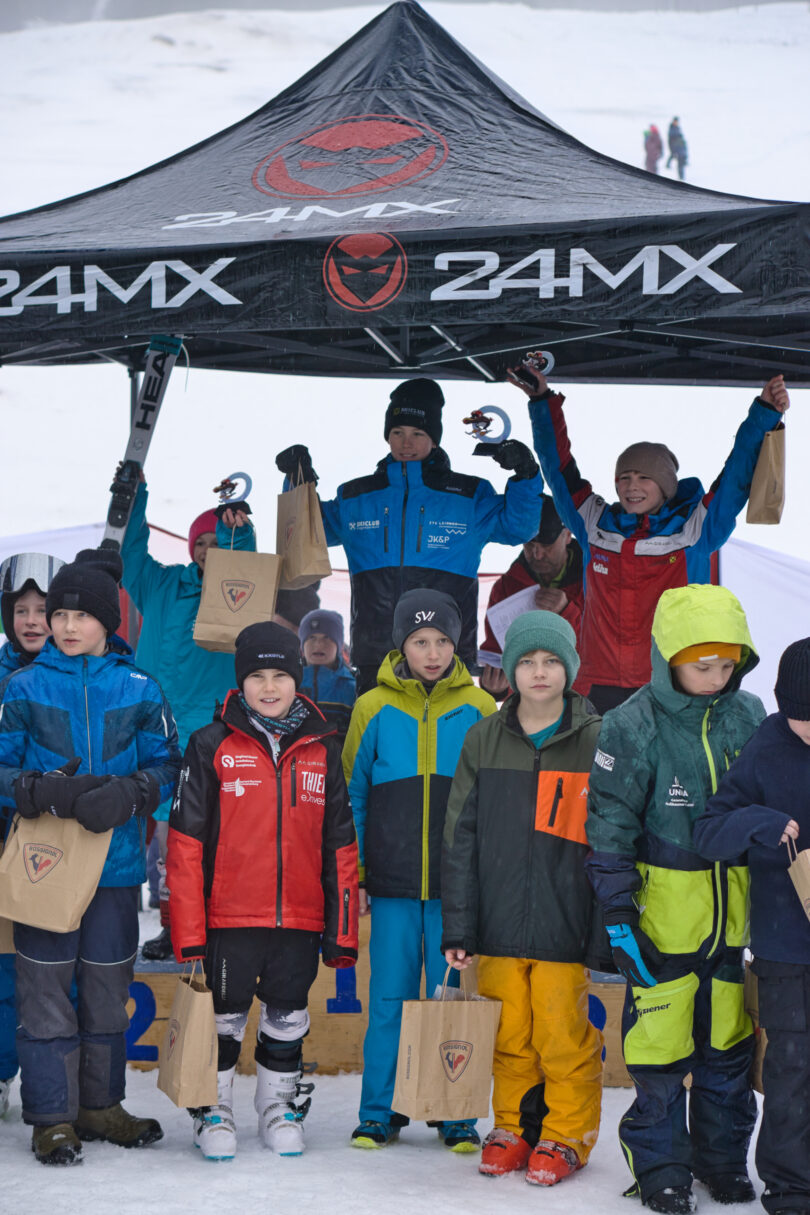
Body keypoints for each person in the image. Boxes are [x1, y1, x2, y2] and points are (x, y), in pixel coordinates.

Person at [585, 583, 765, 1214]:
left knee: (727, 1054)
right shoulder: (631, 724)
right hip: (662, 926)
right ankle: (661, 1168)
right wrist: (618, 914)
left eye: (727, 665)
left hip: (732, 925)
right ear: (668, 658)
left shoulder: (749, 716)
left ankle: (723, 1161)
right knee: (659, 1055)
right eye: (701, 665)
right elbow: (608, 826)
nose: (716, 678)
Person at [0, 551, 181, 1166]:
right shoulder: (23, 686)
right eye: (59, 615)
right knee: (45, 992)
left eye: (81, 615)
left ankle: (100, 1106)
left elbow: (169, 765)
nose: (67, 626)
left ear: (108, 620)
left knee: (106, 990)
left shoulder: (140, 688)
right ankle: (52, 1118)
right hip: (44, 865)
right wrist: (34, 789)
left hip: (116, 865)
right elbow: (1, 766)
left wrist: (133, 791)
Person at [166, 621, 359, 1161]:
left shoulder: (323, 749)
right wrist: (189, 931)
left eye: (280, 676)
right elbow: (184, 846)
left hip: (300, 917)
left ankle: (277, 1105)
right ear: (240, 682)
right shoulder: (211, 745)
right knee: (223, 1017)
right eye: (257, 677)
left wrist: (342, 931)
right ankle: (212, 1106)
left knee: (288, 1014)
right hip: (230, 917)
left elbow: (340, 848)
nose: (269, 687)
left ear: (298, 679)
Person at [512, 364, 789, 714]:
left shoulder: (695, 530)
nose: (632, 486)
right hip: (597, 685)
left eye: (644, 477)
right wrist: (542, 402)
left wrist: (764, 414)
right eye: (624, 477)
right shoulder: (594, 525)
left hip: (668, 686)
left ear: (666, 485)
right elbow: (558, 469)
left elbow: (735, 477)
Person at [443, 611, 604, 1185]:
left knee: (562, 1035)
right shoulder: (483, 738)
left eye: (552, 661)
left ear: (570, 669)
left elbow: (612, 838)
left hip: (564, 920)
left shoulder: (596, 738)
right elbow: (459, 838)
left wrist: (601, 926)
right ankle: (512, 1127)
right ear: (509, 669)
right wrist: (460, 925)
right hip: (498, 922)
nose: (539, 672)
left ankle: (566, 1135)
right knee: (509, 1034)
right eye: (528, 661)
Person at [342, 588, 496, 1149]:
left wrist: (482, 881)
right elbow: (354, 795)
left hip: (456, 890)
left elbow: (492, 803)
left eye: (441, 641)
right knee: (390, 998)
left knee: (449, 996)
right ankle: (379, 1112)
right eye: (419, 641)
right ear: (400, 646)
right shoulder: (372, 706)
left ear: (456, 645)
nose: (432, 653)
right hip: (392, 886)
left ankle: (454, 1113)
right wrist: (358, 873)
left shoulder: (480, 707)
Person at [276, 377, 544, 695]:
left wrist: (526, 474)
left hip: (444, 657)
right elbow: (306, 535)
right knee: (378, 729)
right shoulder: (356, 496)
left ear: (434, 439)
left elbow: (518, 528)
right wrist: (297, 481)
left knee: (442, 731)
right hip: (376, 657)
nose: (406, 443)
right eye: (398, 433)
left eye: (418, 433)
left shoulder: (468, 494)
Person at [694, 637, 810, 1215]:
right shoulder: (766, 747)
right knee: (792, 1068)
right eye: (804, 718)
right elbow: (708, 832)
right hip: (786, 944)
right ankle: (791, 1189)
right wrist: (759, 823)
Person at [121, 474, 255, 960]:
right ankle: (172, 925)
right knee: (165, 841)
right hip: (157, 728)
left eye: (216, 543)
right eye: (201, 542)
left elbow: (248, 573)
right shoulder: (160, 584)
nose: (206, 550)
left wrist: (241, 536)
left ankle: (216, 924)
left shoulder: (232, 593)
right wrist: (134, 498)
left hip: (211, 727)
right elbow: (130, 553)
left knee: (213, 836)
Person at [0, 551, 65, 1118]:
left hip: (65, 844)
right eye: (20, 610)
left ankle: (63, 1092)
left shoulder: (83, 673)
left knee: (54, 971)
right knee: (3, 968)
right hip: (7, 839)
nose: (31, 621)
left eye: (42, 609)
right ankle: (1, 1073)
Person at [478, 494, 584, 699]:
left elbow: (602, 650)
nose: (537, 554)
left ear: (567, 535)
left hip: (579, 703)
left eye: (547, 546)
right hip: (527, 707)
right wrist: (494, 688)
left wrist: (567, 611)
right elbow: (495, 654)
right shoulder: (505, 587)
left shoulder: (596, 578)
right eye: (529, 546)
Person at [298, 608, 355, 742]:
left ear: (339, 646)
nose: (318, 644)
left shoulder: (352, 688)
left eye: (327, 638)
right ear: (302, 646)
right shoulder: (290, 682)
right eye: (311, 638)